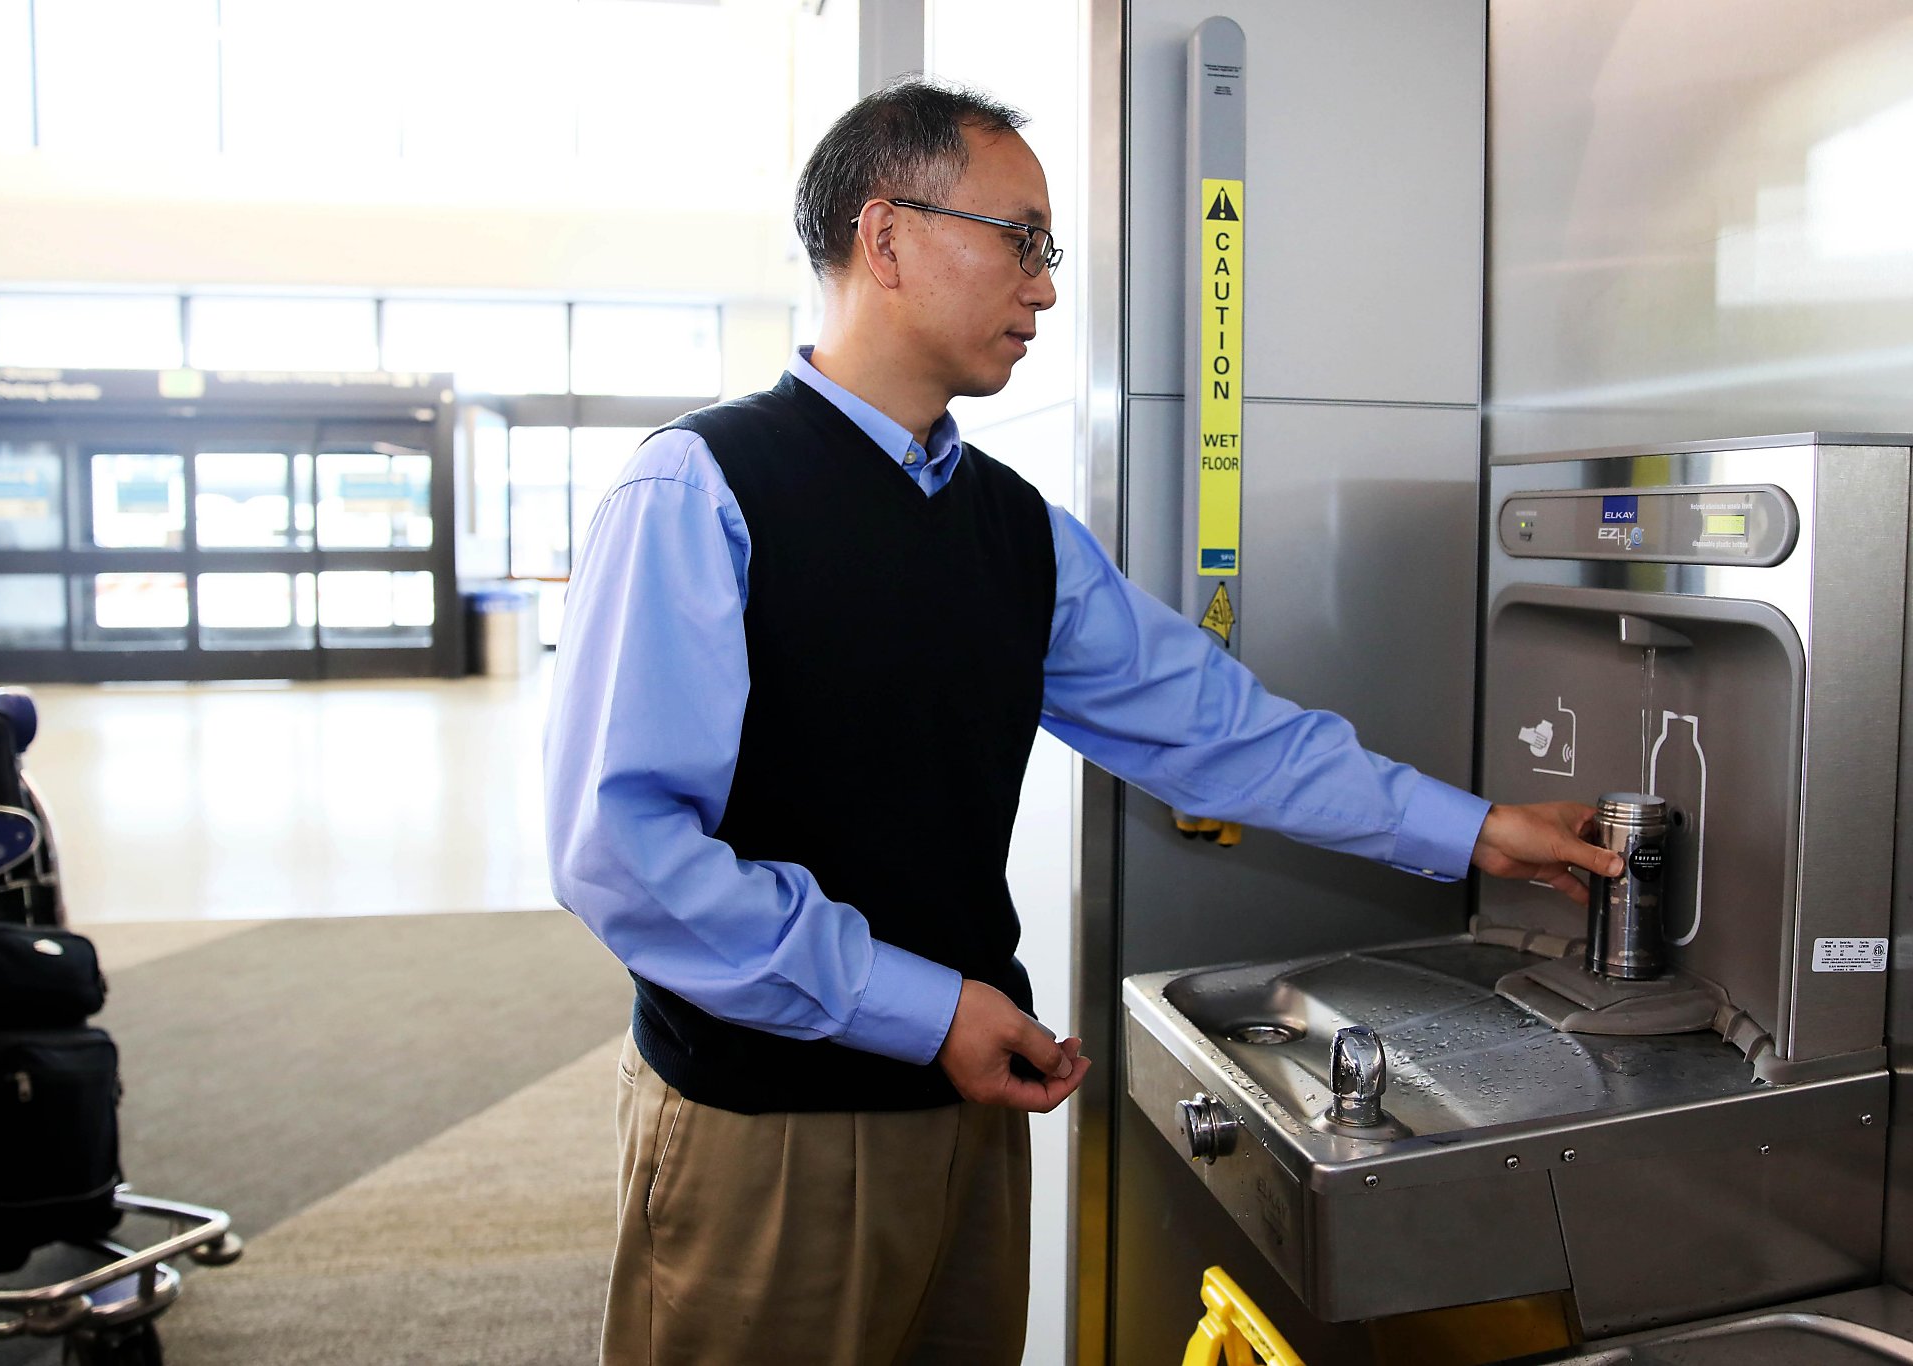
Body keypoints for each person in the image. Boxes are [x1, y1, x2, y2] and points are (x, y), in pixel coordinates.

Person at [544, 77, 1621, 1366]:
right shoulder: (702, 490)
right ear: (884, 237)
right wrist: (924, 1007)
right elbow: (627, 853)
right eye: (1022, 241)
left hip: (967, 1111)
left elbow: (1218, 733)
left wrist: (1480, 828)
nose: (1047, 287)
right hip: (769, 1131)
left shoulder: (1013, 530)